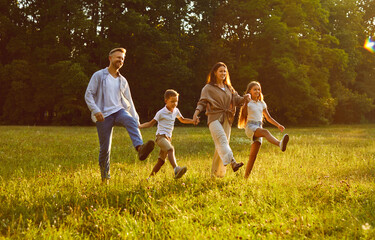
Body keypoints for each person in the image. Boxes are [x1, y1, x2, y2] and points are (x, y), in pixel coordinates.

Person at [85, 47, 155, 184]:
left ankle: (140, 148)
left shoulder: (123, 81)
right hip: (103, 115)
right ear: (110, 58)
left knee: (129, 119)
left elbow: (130, 100)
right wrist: (95, 110)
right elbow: (88, 94)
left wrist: (136, 120)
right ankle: (105, 178)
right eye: (118, 57)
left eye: (122, 58)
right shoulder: (99, 75)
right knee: (105, 149)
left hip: (118, 111)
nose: (120, 60)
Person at [192, 62, 250, 178]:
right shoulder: (208, 88)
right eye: (220, 71)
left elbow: (237, 100)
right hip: (214, 117)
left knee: (221, 145)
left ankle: (216, 174)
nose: (223, 73)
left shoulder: (229, 88)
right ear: (215, 72)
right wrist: (196, 114)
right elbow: (202, 102)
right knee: (222, 141)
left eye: (225, 71)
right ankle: (233, 162)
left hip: (227, 118)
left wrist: (245, 98)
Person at [139, 89, 197, 179]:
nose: (174, 104)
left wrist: (193, 121)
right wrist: (139, 126)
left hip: (168, 138)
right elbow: (151, 123)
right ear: (166, 101)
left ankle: (149, 178)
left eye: (176, 101)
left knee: (161, 161)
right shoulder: (161, 112)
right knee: (171, 149)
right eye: (172, 101)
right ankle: (176, 169)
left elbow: (183, 119)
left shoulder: (176, 111)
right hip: (160, 137)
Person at [237, 81, 289, 179]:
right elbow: (243, 114)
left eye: (258, 89)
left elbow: (268, 117)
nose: (257, 91)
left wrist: (278, 125)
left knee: (253, 156)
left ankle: (245, 178)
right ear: (249, 91)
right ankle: (280, 144)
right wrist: (246, 100)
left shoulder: (262, 103)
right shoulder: (247, 102)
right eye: (255, 89)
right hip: (250, 127)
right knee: (266, 132)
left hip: (258, 127)